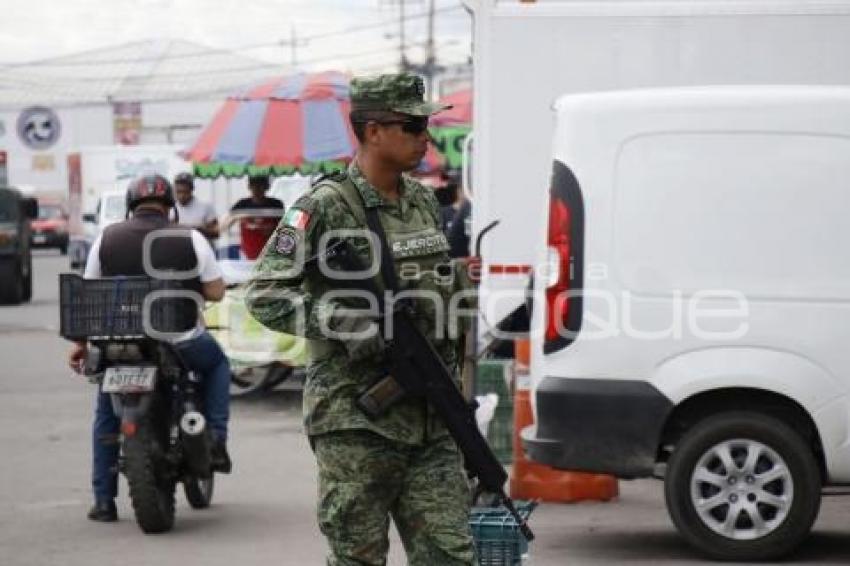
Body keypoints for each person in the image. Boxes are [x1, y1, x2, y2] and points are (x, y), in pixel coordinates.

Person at [245, 73, 476, 565]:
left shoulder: (421, 202)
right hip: (358, 422)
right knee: (358, 558)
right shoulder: (324, 207)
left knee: (452, 556)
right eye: (412, 126)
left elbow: (433, 289)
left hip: (431, 418)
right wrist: (343, 322)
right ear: (373, 131)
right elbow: (265, 293)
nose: (424, 138)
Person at [67, 174, 233, 523]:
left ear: (131, 206)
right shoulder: (191, 237)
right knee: (218, 364)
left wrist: (81, 344)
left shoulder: (106, 238)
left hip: (120, 341)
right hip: (180, 338)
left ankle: (103, 500)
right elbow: (216, 293)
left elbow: (86, 294)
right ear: (171, 205)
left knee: (106, 412)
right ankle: (216, 439)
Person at [229, 174, 284, 259]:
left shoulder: (276, 205)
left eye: (261, 186)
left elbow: (283, 227)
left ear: (267, 187)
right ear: (249, 187)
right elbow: (228, 221)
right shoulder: (242, 205)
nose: (257, 189)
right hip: (247, 254)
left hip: (270, 254)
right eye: (254, 186)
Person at [173, 172, 219, 241]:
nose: (181, 196)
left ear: (192, 190)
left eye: (185, 192)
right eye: (178, 192)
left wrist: (200, 230)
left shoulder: (205, 206)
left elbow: (216, 232)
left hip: (200, 250)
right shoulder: (170, 208)